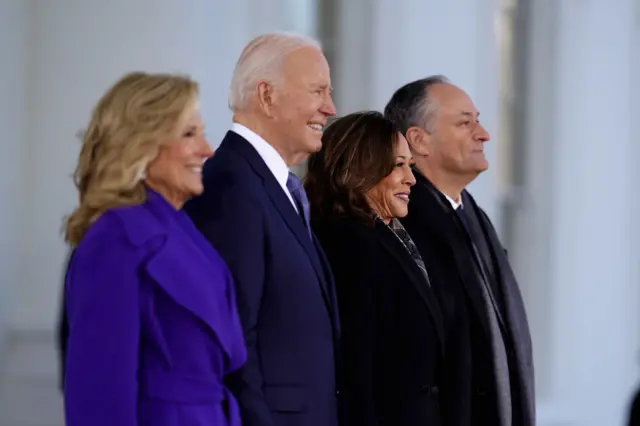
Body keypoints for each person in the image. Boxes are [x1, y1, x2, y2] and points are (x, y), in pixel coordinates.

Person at [62, 71, 247, 426]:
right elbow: (99, 394)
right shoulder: (116, 238)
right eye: (189, 134)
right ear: (142, 145)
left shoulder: (180, 228)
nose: (207, 149)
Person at [184, 32, 341, 426]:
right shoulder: (231, 187)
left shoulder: (274, 186)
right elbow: (234, 340)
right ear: (267, 96)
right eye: (318, 91)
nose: (330, 108)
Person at [384, 75, 535, 426]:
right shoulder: (397, 226)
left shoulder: (473, 217)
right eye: (465, 123)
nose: (483, 134)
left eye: (477, 121)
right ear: (418, 140)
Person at [306, 111, 447, 426]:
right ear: (360, 168)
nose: (411, 178)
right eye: (398, 165)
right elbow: (358, 370)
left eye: (409, 166)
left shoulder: (390, 235)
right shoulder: (352, 246)